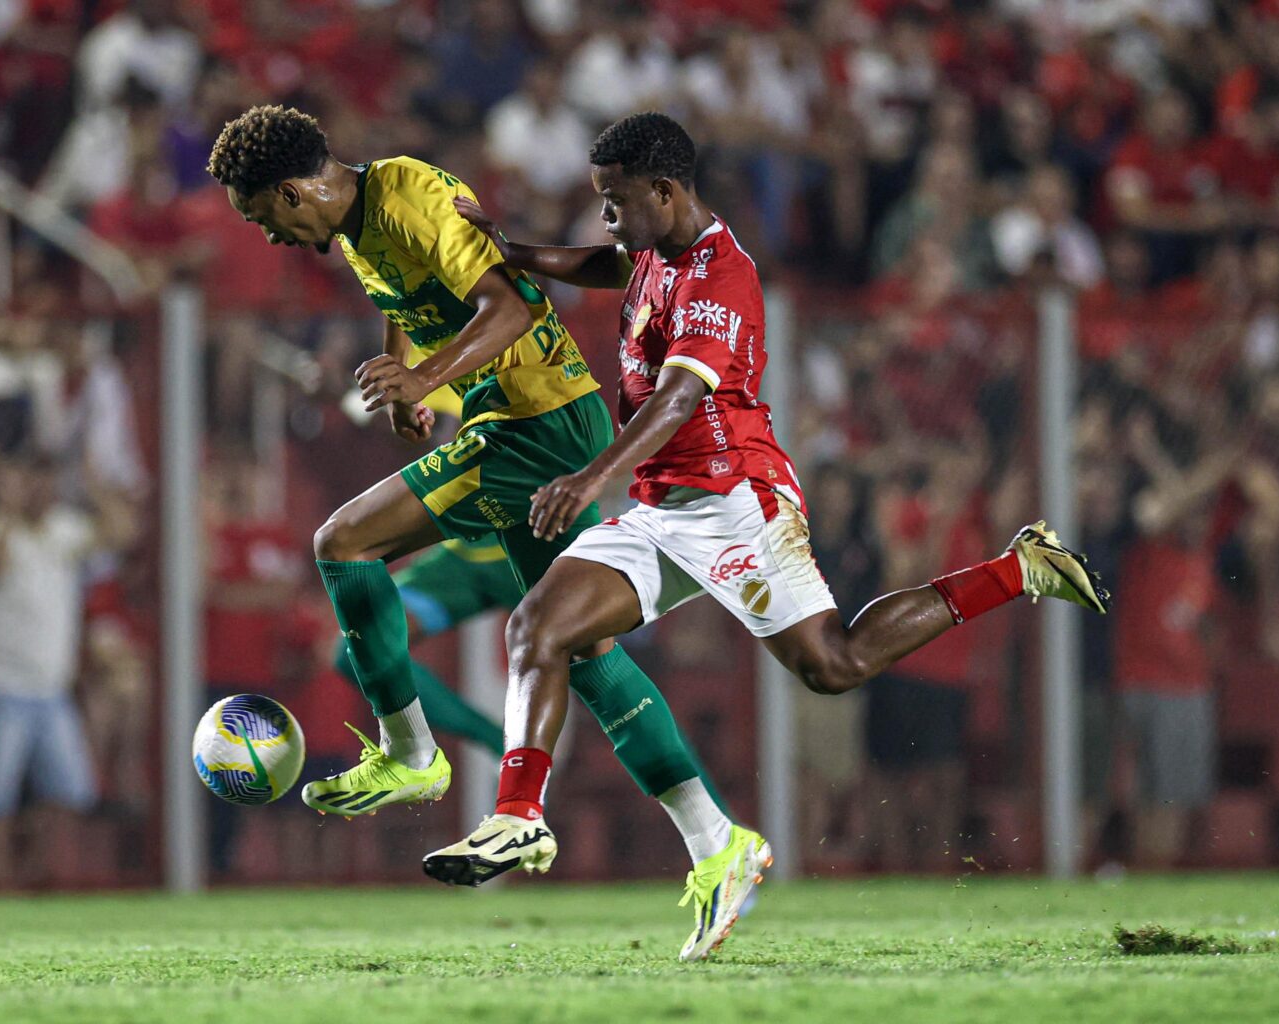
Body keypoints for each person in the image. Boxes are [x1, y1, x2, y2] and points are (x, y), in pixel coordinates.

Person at [429, 113, 1110, 961]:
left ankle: (1019, 567)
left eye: (614, 199)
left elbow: (679, 400)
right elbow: (612, 264)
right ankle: (519, 818)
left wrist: (588, 479)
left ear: (666, 192)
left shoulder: (722, 273)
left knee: (835, 665)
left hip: (736, 498)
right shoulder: (651, 249)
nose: (604, 214)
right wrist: (521, 254)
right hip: (663, 504)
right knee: (538, 625)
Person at [205, 108, 730, 865]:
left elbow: (510, 306)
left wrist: (425, 374)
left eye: (260, 217)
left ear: (290, 193)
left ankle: (413, 753)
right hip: (526, 418)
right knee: (580, 649)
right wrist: (411, 388)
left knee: (343, 542)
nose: (268, 237)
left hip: (532, 421)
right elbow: (409, 302)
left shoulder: (407, 195)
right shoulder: (360, 226)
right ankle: (716, 838)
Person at [0, 452, 135, 887]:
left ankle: (27, 878)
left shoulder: (62, 530)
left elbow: (123, 533)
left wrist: (97, 489)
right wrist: (8, 511)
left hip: (48, 687)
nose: (42, 492)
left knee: (72, 792)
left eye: (48, 483)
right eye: (33, 482)